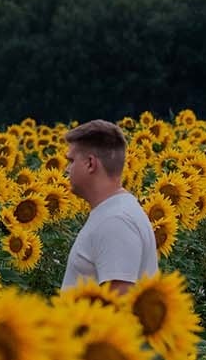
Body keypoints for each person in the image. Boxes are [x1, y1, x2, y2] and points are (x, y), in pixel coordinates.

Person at [60, 119, 158, 293]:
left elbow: (118, 305)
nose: (67, 169)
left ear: (90, 163)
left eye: (71, 161)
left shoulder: (115, 221)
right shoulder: (114, 212)